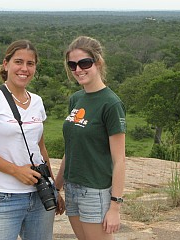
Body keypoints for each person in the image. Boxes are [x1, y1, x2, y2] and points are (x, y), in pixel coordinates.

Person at [0, 39, 64, 240]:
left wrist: (53, 187)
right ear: (6, 64)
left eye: (30, 64)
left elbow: (40, 147)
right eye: (18, 62)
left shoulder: (37, 101)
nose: (24, 69)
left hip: (39, 195)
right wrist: (15, 171)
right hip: (3, 195)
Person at [55, 36, 126, 240]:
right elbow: (71, 149)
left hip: (95, 191)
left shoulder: (111, 104)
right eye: (72, 65)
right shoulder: (76, 99)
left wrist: (115, 207)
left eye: (84, 63)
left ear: (98, 62)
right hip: (72, 188)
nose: (78, 70)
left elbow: (119, 159)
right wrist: (57, 187)